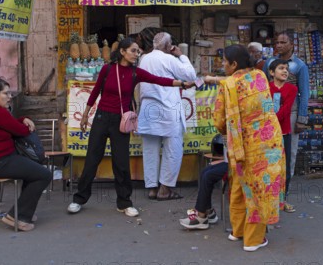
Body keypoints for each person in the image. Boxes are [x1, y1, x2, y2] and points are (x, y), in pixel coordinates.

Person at [68, 37, 195, 217]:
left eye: (138, 51)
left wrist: (181, 83)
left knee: (121, 163)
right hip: (101, 118)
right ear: (122, 52)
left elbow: (159, 80)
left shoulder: (136, 73)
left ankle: (124, 202)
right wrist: (85, 115)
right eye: (133, 51)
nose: (137, 54)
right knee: (92, 160)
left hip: (121, 121)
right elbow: (95, 92)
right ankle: (79, 199)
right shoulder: (107, 69)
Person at [213, 44, 285, 252]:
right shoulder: (261, 77)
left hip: (241, 145)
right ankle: (251, 236)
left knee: (239, 185)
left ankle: (244, 235)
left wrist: (231, 131)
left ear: (234, 64)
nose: (222, 65)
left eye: (225, 61)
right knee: (260, 189)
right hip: (269, 142)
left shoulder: (227, 85)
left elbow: (219, 121)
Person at [0, 78, 51, 232]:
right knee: (44, 174)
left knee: (35, 170)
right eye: (5, 93)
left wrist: (23, 119)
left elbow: (9, 124)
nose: (9, 96)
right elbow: (21, 130)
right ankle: (15, 216)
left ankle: (23, 212)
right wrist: (26, 121)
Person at [138, 32, 197, 200]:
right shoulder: (169, 59)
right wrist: (181, 56)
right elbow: (190, 75)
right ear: (167, 46)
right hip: (167, 109)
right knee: (173, 149)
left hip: (148, 109)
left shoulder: (145, 59)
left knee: (150, 150)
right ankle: (165, 189)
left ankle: (151, 188)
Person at [263, 31, 309, 182]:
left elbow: (304, 93)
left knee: (289, 151)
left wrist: (302, 119)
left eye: (283, 42)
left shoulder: (299, 66)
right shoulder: (269, 63)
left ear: (292, 45)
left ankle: (285, 185)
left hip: (291, 114)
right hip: (269, 112)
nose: (279, 45)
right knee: (269, 148)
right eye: (277, 42)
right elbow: (262, 87)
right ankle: (271, 183)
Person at [179, 135, 227, 230]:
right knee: (205, 172)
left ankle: (201, 216)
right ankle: (208, 211)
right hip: (233, 158)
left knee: (208, 175)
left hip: (244, 161)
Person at [268, 58, 297, 212]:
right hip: (267, 134)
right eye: (281, 68)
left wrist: (270, 121)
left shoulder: (292, 89)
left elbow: (286, 110)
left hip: (283, 132)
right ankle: (270, 199)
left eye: (286, 68)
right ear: (272, 72)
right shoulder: (266, 88)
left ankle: (283, 199)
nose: (285, 71)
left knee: (284, 168)